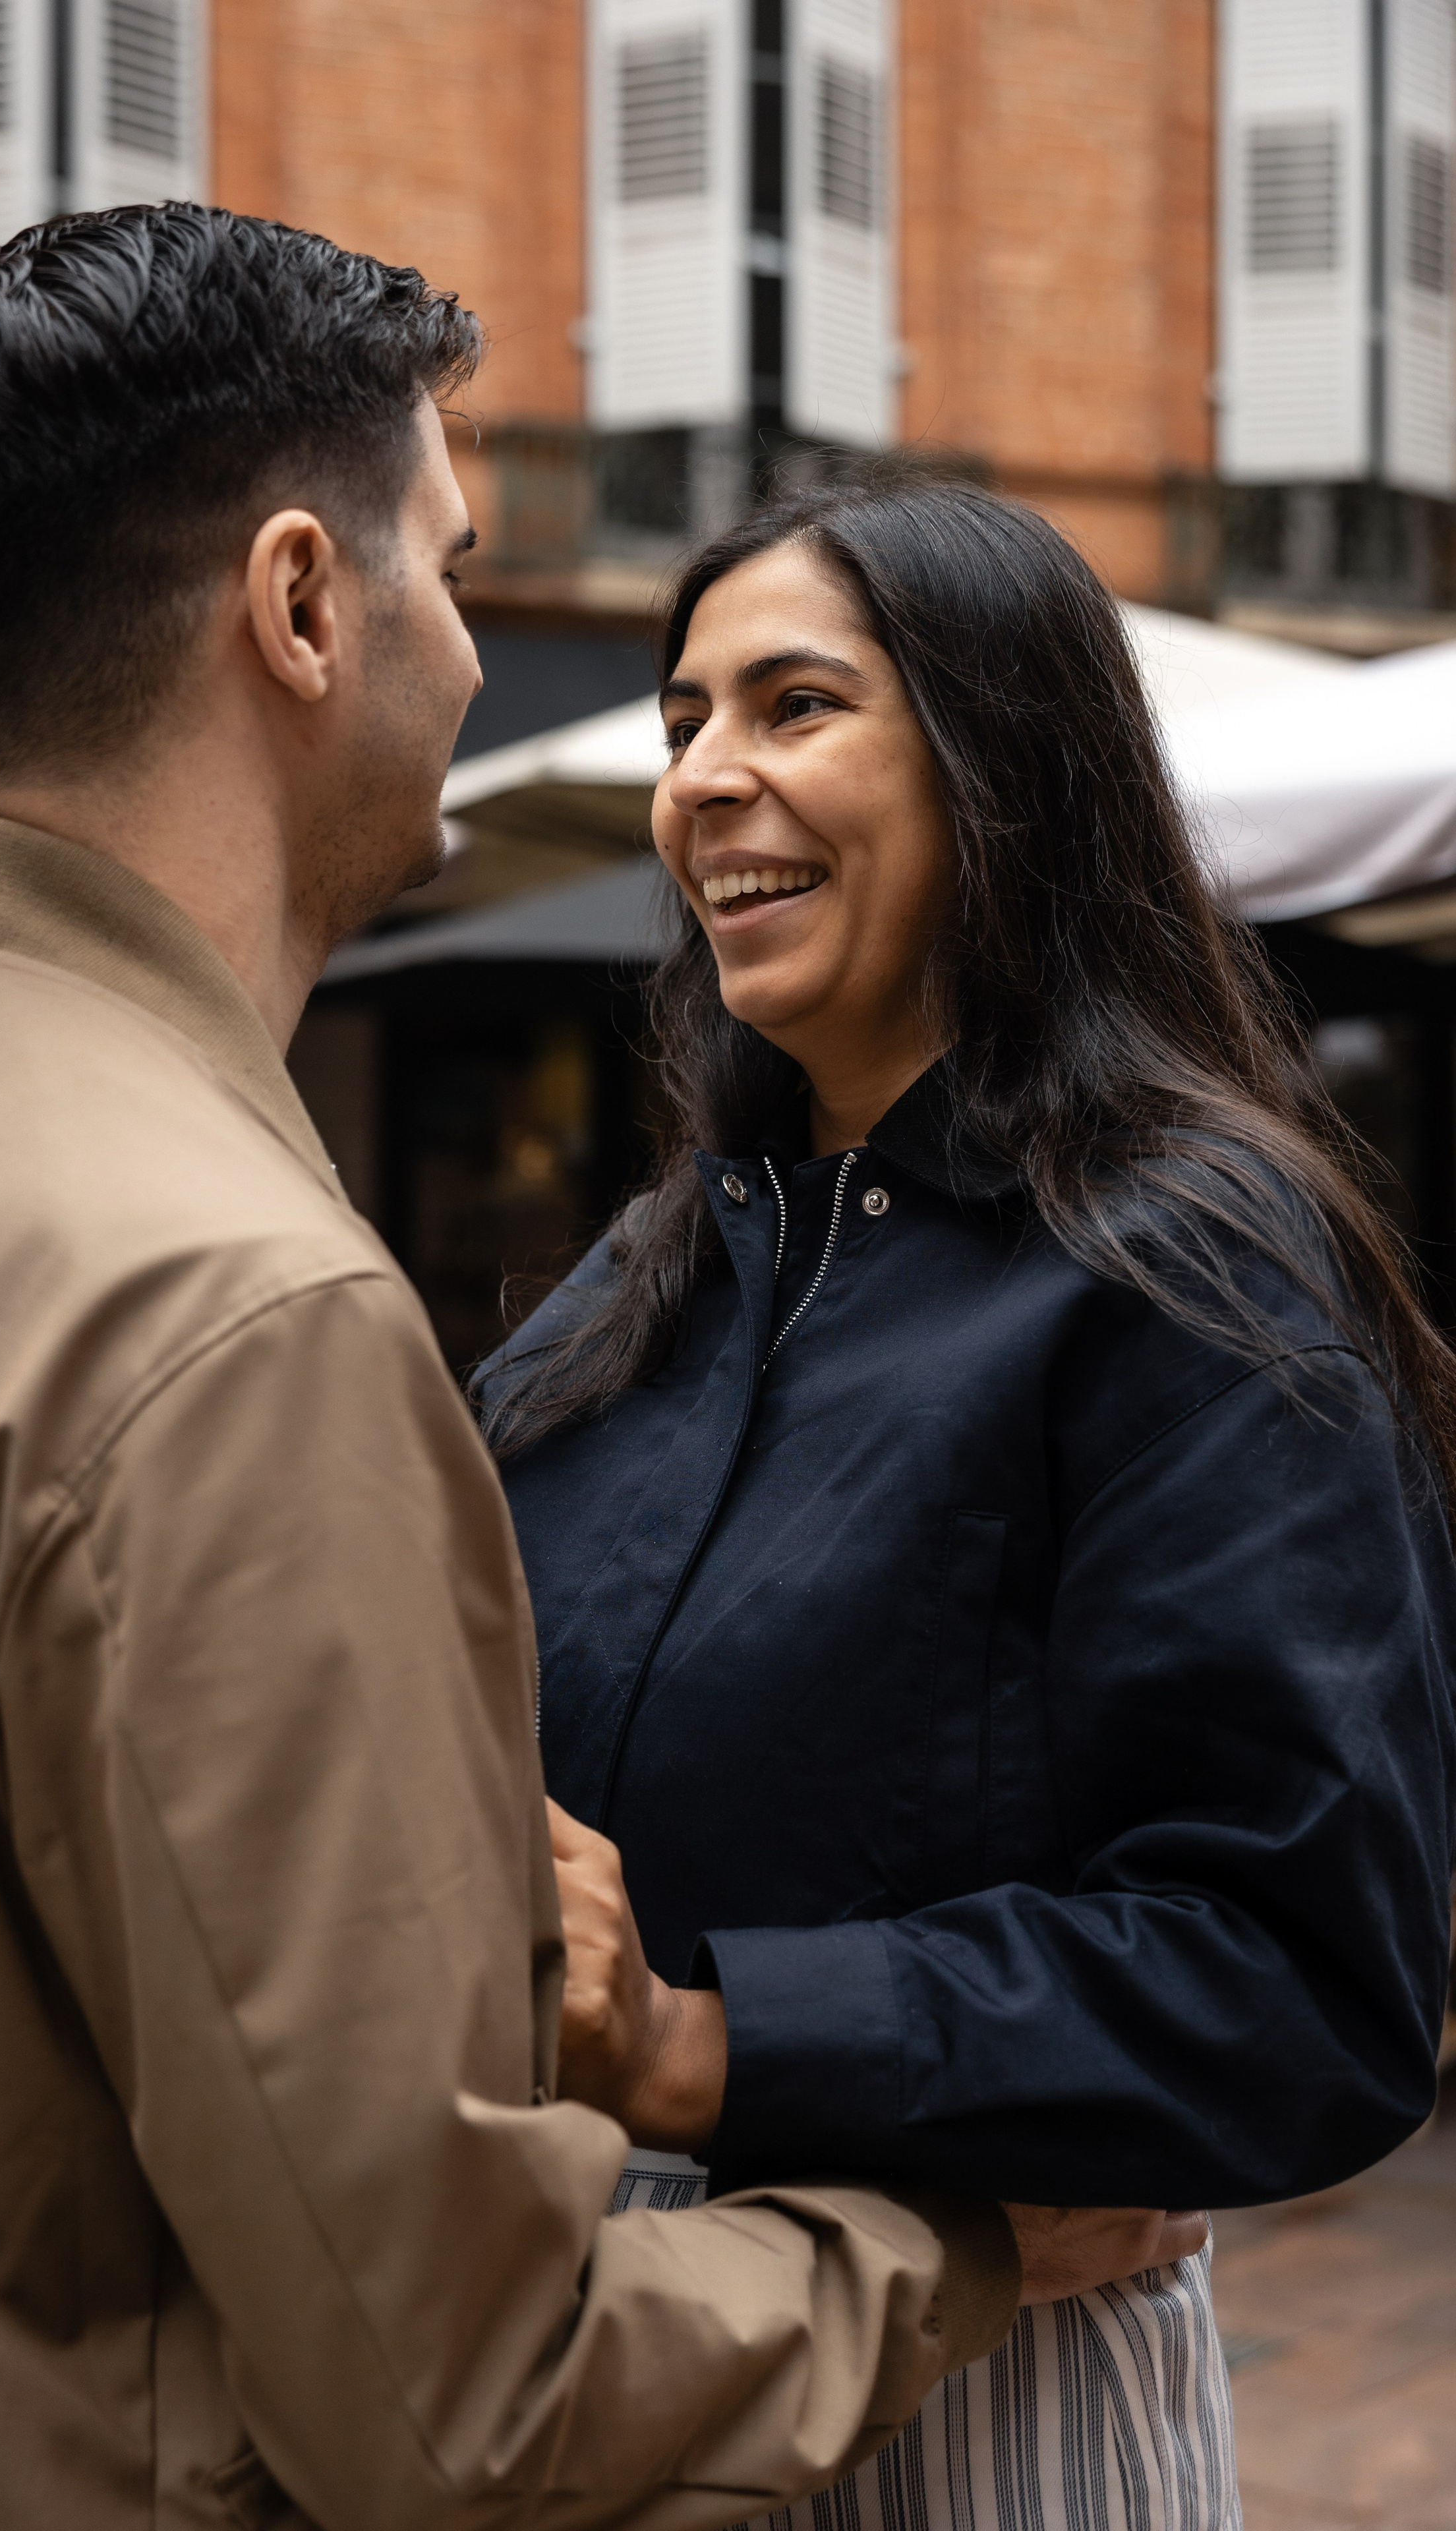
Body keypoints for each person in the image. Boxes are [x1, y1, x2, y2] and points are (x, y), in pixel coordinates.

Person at [0, 209, 1068, 2527]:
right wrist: (955, 2246)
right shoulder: (245, 1320)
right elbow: (472, 2397)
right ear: (298, 605)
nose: (474, 655)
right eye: (451, 572)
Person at [475, 480, 1456, 2531]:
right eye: (678, 722)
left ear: (1002, 767)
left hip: (970, 2389)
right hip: (605, 2351)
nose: (702, 782)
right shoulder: (654, 1271)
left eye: (794, 703)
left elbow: (1295, 1978)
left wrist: (699, 2040)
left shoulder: (1188, 1259)